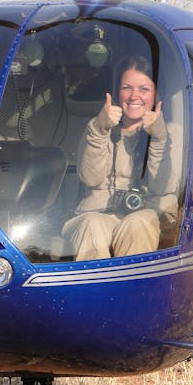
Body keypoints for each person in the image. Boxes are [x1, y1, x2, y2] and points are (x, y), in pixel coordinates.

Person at [61, 55, 174, 261]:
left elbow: (161, 185)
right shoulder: (98, 127)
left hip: (146, 214)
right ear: (116, 92)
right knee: (91, 225)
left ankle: (133, 292)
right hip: (98, 214)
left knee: (138, 224)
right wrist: (99, 129)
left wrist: (158, 138)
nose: (133, 96)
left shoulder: (170, 132)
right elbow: (90, 179)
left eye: (144, 89)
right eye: (126, 88)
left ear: (157, 94)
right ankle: (95, 292)